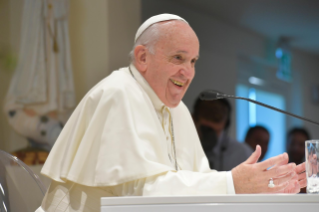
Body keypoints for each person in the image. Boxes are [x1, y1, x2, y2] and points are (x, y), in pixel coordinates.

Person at [36, 14, 306, 212]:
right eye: (178, 58)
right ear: (142, 58)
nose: (188, 73)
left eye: (193, 61)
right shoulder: (119, 94)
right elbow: (137, 193)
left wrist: (257, 189)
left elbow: (198, 179)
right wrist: (231, 183)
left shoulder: (177, 110)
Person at [193, 95, 253, 171]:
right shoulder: (181, 147)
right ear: (193, 118)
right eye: (206, 114)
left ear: (226, 124)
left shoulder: (243, 154)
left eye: (217, 117)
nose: (210, 123)